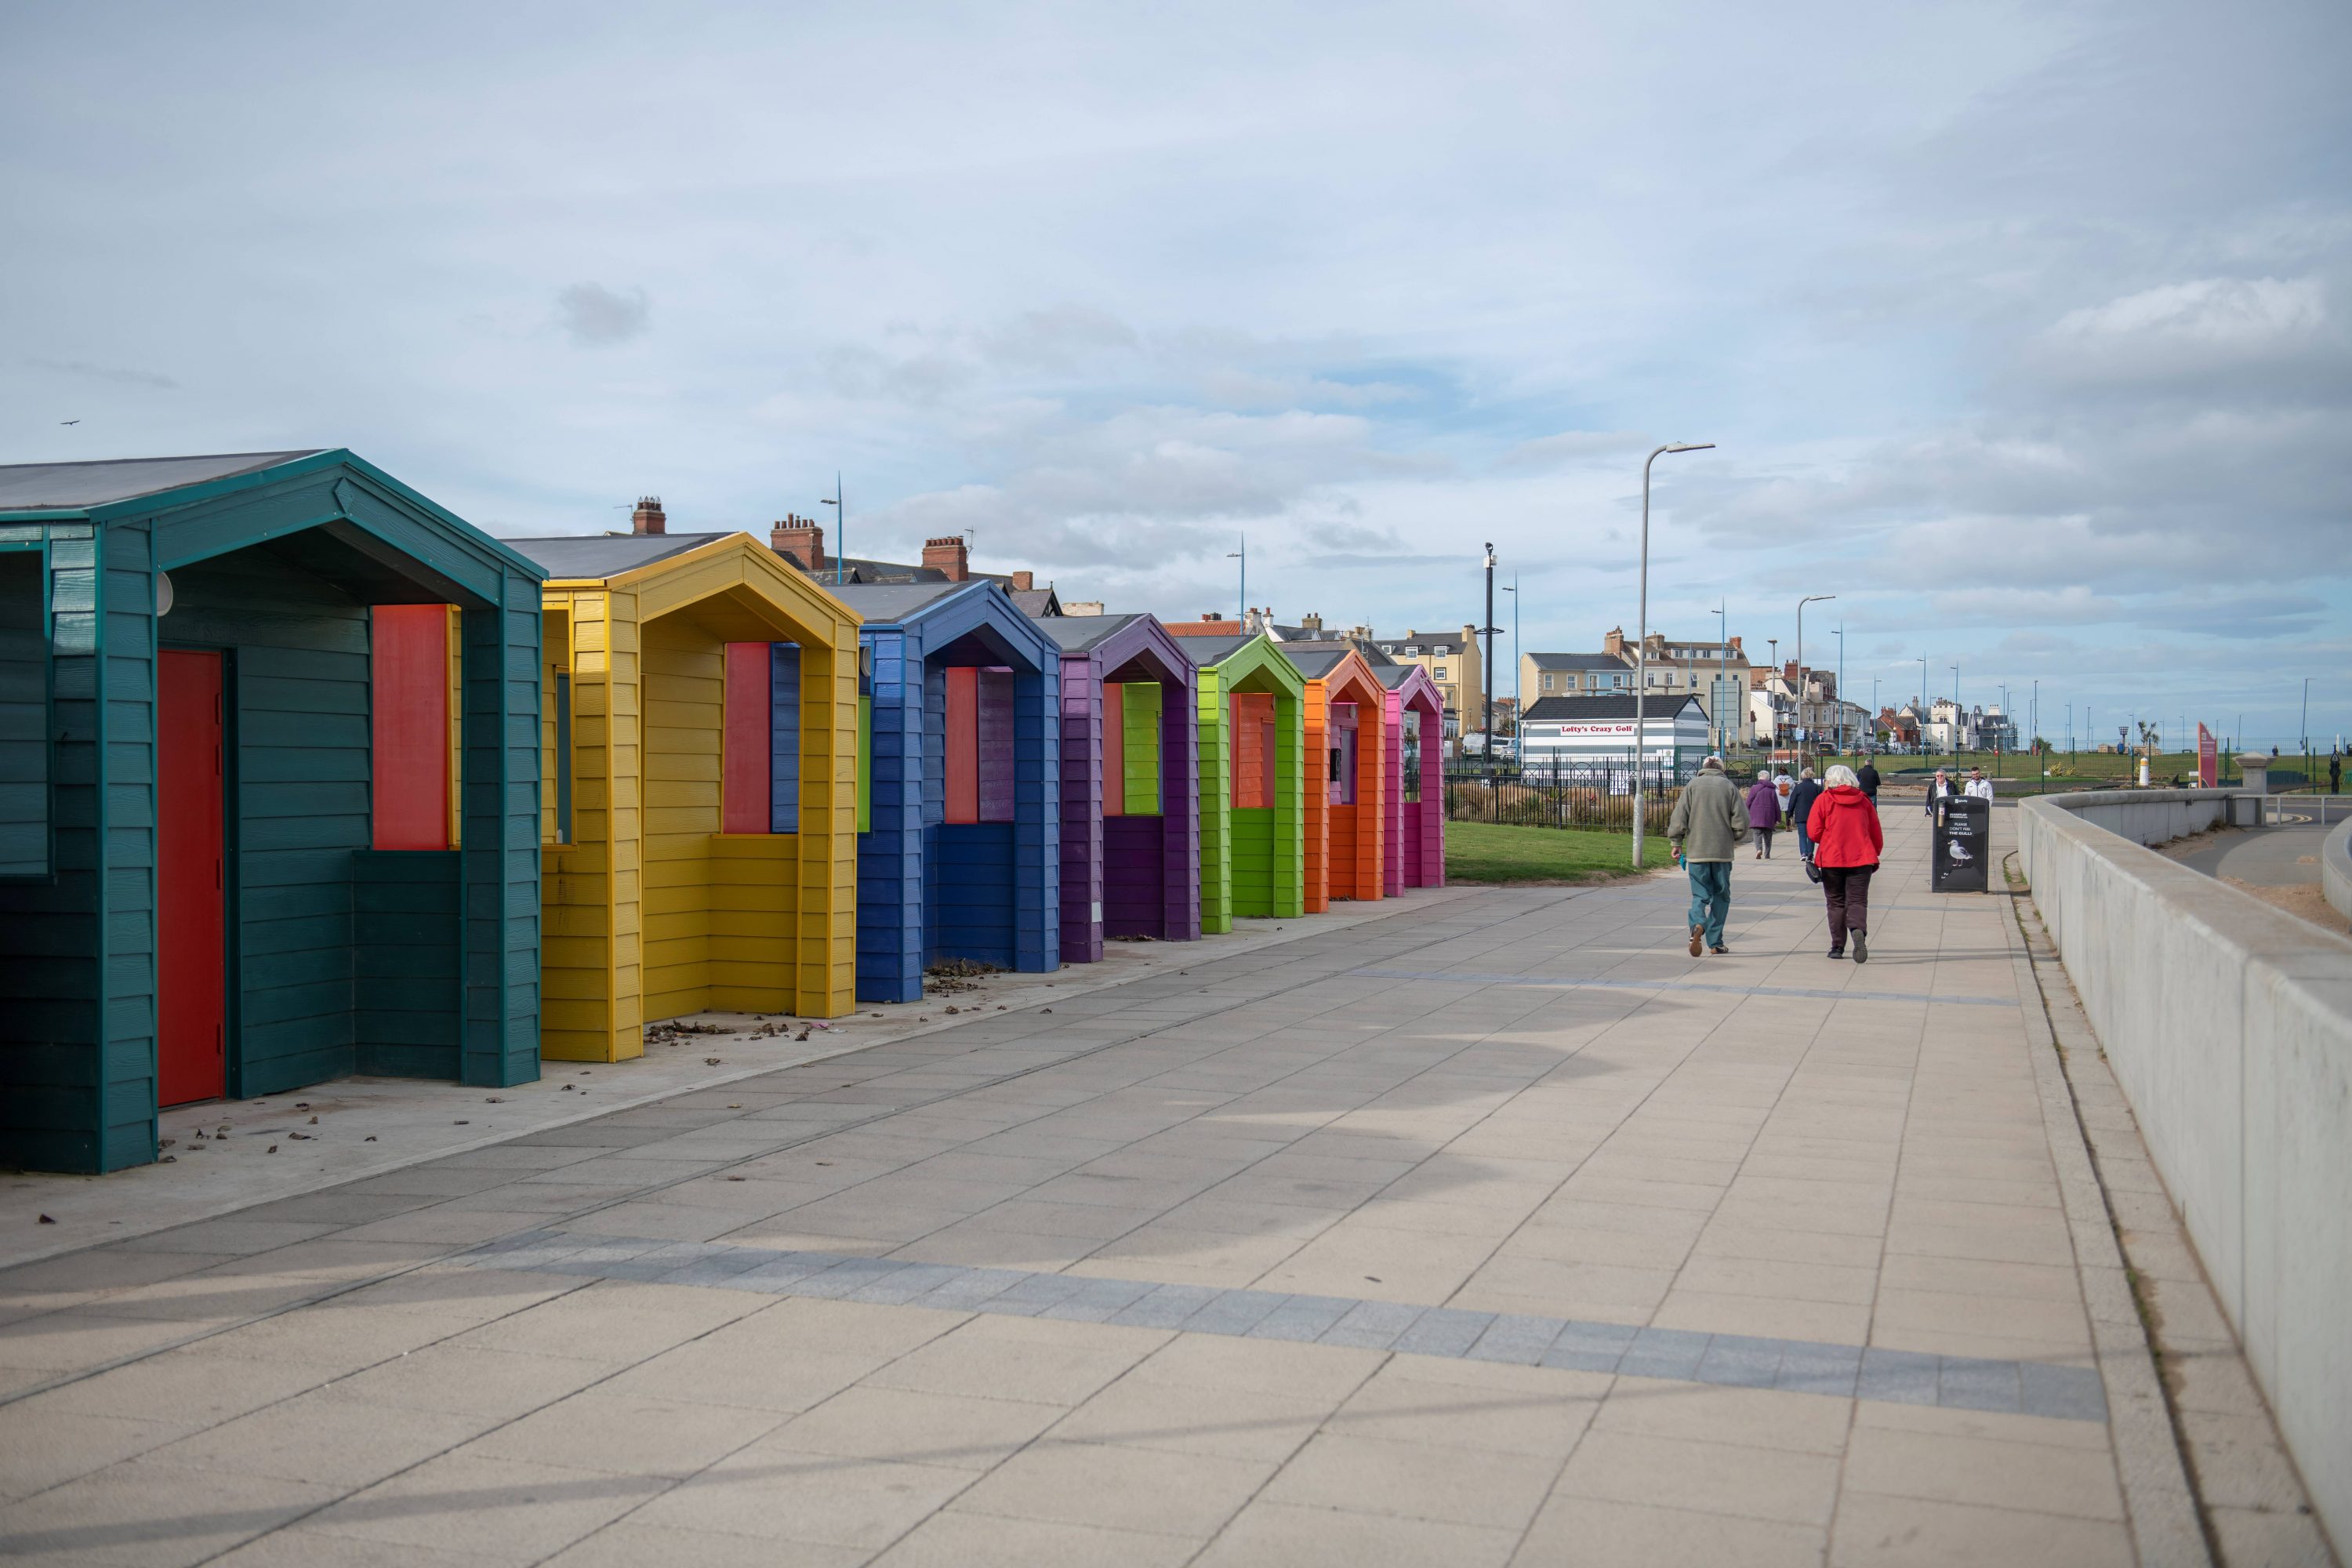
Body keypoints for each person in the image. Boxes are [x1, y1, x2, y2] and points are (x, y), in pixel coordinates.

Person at [1669, 755, 1750, 955]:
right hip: (1722, 852)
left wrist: (1676, 842)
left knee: (1700, 894)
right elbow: (1742, 819)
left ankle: (1697, 924)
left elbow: (1680, 816)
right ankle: (1715, 942)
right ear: (1721, 769)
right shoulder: (1729, 787)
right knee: (1721, 897)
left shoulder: (1692, 785)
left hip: (1697, 851)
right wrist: (1734, 837)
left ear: (1704, 768)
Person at [1808, 764, 1884, 960]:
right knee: (1858, 900)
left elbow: (1813, 832)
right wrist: (1873, 852)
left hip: (1833, 859)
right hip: (1861, 858)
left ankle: (1837, 947)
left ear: (1830, 780)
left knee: (1835, 902)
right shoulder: (1864, 800)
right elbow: (1876, 831)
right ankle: (1858, 930)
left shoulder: (1824, 800)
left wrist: (1828, 837)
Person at [1788, 767, 1824, 862]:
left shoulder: (1798, 787)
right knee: (1811, 835)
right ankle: (1810, 853)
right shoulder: (1817, 788)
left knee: (1802, 835)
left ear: (1802, 776)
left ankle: (1803, 853)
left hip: (1801, 814)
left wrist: (1790, 813)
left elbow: (1792, 801)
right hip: (1814, 815)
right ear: (1812, 776)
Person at [1745, 768, 1782, 858]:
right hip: (1769, 815)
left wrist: (1747, 812)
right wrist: (1778, 818)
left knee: (1757, 833)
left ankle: (1759, 849)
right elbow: (1776, 805)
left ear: (1759, 778)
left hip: (1756, 814)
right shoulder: (1772, 790)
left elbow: (1748, 802)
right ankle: (1767, 854)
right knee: (1768, 835)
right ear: (1768, 778)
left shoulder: (1754, 788)